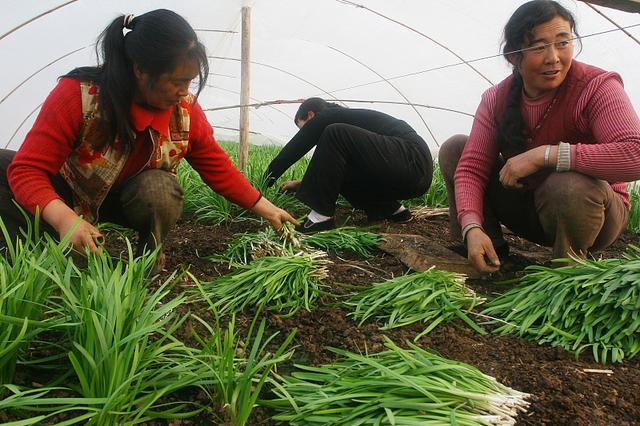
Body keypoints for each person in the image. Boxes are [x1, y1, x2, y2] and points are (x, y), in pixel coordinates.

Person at [0, 9, 295, 271]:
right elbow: (28, 169)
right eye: (177, 81)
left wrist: (267, 208)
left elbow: (216, 164)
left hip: (127, 200)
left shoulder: (185, 111)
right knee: (4, 167)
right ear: (140, 70)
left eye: (190, 81)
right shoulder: (78, 95)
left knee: (160, 188)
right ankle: (30, 254)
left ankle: (146, 262)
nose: (184, 90)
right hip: (70, 189)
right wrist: (64, 218)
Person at [439, 0, 640, 273]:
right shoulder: (496, 98)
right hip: (532, 208)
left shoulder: (596, 87)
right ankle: (488, 250)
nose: (553, 57)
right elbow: (472, 168)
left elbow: (635, 155)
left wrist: (545, 155)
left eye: (562, 42)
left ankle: (567, 268)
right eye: (538, 46)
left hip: (593, 214)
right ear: (513, 55)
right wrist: (471, 226)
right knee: (455, 149)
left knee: (567, 183)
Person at [264, 98, 433, 232]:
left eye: (304, 128)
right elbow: (337, 169)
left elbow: (295, 148)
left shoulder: (327, 117)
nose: (307, 134)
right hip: (414, 173)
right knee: (342, 161)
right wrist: (302, 183)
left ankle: (321, 217)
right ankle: (391, 210)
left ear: (311, 115)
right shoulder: (353, 124)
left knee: (335, 133)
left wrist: (266, 180)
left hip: (411, 157)